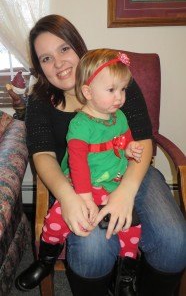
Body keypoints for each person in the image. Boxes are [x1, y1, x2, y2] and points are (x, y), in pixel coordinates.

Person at [11, 14, 185, 296]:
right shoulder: (39, 101)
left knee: (174, 240)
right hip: (78, 184)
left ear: (79, 47)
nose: (58, 63)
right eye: (46, 58)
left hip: (131, 171)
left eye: (64, 49)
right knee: (92, 248)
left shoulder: (114, 78)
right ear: (40, 68)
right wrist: (68, 197)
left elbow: (143, 137)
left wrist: (126, 192)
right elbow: (42, 155)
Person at [37, 48, 144, 296]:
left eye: (123, 90)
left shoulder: (118, 117)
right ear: (88, 92)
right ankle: (45, 261)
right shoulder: (80, 124)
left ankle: (125, 276)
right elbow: (77, 163)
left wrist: (131, 149)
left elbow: (126, 139)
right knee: (57, 218)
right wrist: (83, 197)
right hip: (84, 184)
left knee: (131, 224)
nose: (119, 97)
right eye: (111, 90)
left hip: (114, 184)